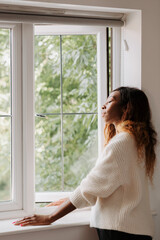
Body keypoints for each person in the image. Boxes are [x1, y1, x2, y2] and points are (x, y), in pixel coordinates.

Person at [13, 87, 157, 240]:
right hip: (136, 230)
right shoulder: (138, 141)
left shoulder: (122, 143)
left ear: (126, 107)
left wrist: (50, 218)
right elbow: (110, 186)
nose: (103, 105)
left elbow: (91, 188)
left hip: (120, 231)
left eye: (110, 101)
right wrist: (69, 198)